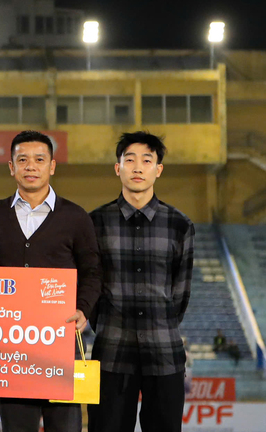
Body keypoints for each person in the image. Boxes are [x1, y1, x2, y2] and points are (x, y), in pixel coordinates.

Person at [0, 130, 101, 432]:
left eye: (39, 159)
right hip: (11, 344)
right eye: (23, 160)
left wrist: (83, 309)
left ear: (52, 166)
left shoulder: (76, 217)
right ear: (11, 167)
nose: (31, 166)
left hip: (60, 342)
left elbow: (92, 271)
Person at [88, 132, 194, 432]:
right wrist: (108, 325)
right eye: (129, 159)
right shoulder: (94, 222)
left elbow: (181, 294)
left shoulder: (180, 225)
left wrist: (158, 326)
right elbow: (91, 285)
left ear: (158, 169)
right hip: (111, 352)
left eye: (147, 160)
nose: (138, 167)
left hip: (164, 355)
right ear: (117, 168)